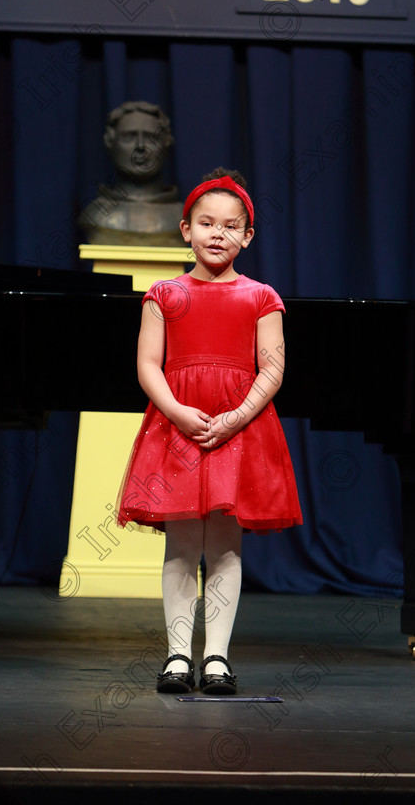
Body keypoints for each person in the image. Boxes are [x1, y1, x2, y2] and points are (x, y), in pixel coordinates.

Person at [116, 168, 302, 694]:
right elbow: (149, 365)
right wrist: (176, 411)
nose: (217, 234)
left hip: (238, 430)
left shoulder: (261, 297)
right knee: (180, 545)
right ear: (185, 230)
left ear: (247, 236)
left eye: (230, 226)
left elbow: (272, 367)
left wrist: (237, 416)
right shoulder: (164, 294)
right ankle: (178, 656)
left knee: (224, 545)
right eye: (206, 223)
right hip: (179, 429)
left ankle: (216, 657)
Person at [78, 101, 184, 247]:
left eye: (151, 138)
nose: (140, 146)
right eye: (129, 137)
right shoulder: (95, 215)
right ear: (110, 142)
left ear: (165, 145)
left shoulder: (182, 218)